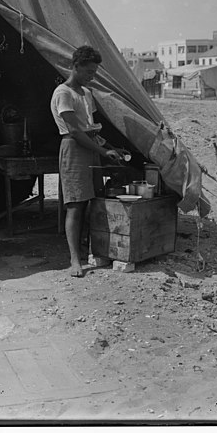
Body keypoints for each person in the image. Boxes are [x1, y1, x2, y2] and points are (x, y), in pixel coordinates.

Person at [50, 45, 122, 278]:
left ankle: (93, 249)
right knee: (76, 204)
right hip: (73, 148)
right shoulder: (63, 93)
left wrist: (109, 147)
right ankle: (74, 259)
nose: (92, 76)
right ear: (76, 66)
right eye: (89, 71)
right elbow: (75, 131)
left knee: (94, 201)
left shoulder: (86, 94)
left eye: (95, 72)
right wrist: (102, 151)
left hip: (90, 147)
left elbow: (89, 128)